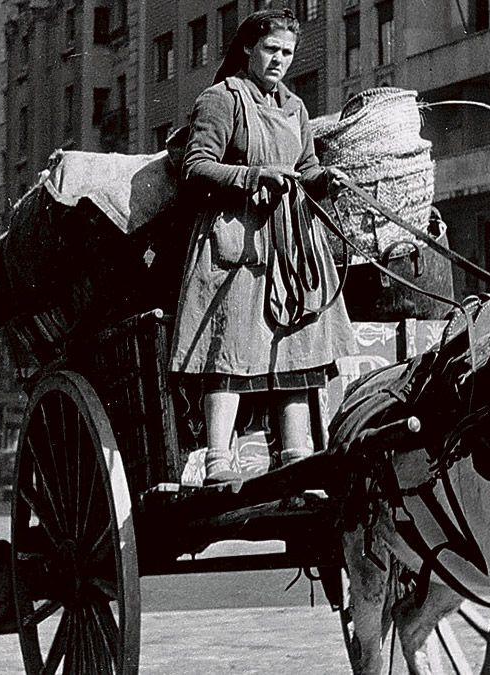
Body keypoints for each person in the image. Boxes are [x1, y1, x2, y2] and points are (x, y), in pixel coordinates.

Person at [171, 8, 355, 485]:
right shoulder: (221, 100)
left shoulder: (295, 107)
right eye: (272, 49)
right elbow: (195, 166)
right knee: (231, 349)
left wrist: (323, 180)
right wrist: (252, 176)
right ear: (249, 47)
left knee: (296, 350)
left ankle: (297, 452)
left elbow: (307, 166)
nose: (280, 60)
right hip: (237, 245)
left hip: (291, 245)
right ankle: (218, 458)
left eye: (288, 52)